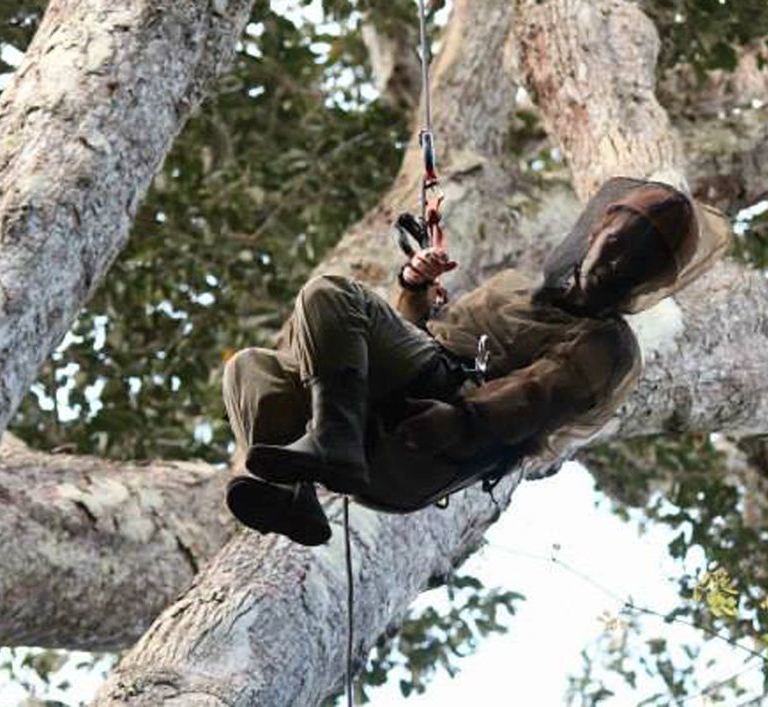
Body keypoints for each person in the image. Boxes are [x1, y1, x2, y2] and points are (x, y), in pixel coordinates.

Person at [222, 177, 729, 546]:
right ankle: (293, 495)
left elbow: (536, 396)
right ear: (595, 233)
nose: (616, 265)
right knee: (250, 368)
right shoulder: (513, 289)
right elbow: (420, 335)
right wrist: (415, 286)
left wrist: (462, 421)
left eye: (637, 267)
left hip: (430, 440)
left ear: (649, 285)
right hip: (389, 423)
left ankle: (332, 444)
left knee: (330, 295)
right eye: (616, 246)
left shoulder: (607, 345)